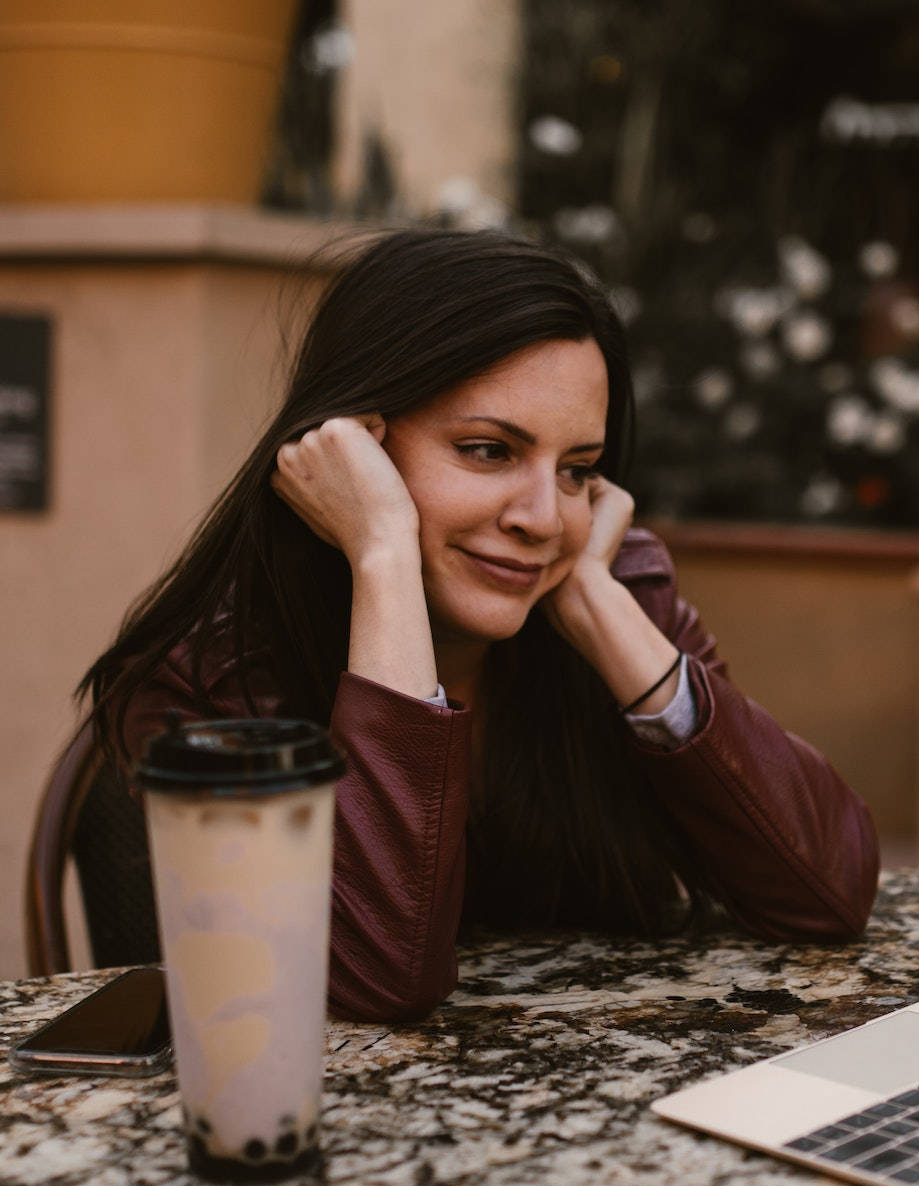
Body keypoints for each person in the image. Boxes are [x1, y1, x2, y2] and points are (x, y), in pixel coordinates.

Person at [81, 228, 878, 1022]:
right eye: (489, 450)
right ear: (355, 448)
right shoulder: (209, 681)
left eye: (576, 471)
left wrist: (600, 605)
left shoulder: (608, 588)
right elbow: (380, 985)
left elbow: (829, 892)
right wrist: (384, 557)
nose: (542, 518)